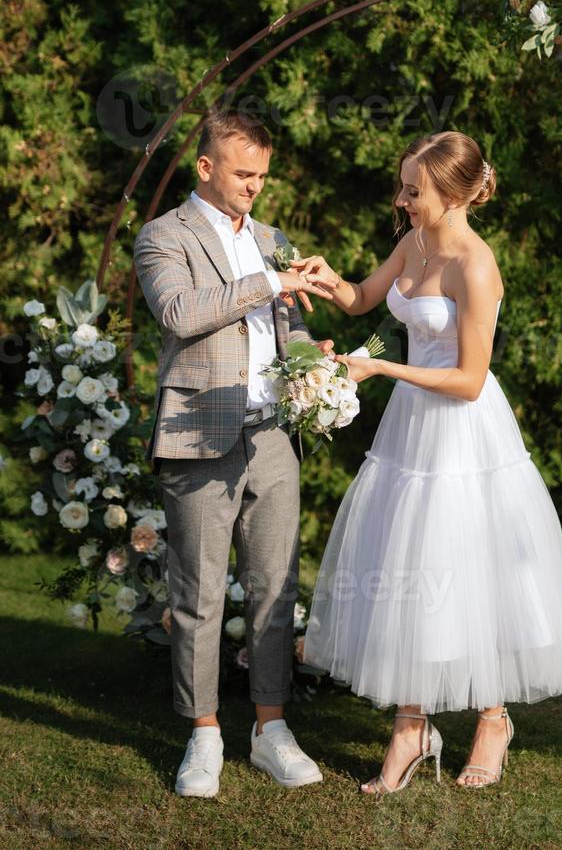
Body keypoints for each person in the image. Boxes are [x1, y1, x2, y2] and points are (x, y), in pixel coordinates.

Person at [297, 130, 562, 794]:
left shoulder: (474, 265)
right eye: (402, 187)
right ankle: (410, 725)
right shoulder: (415, 242)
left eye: (413, 191)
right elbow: (363, 298)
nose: (400, 201)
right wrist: (328, 280)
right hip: (411, 431)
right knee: (404, 562)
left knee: (467, 567)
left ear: (456, 194)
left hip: (461, 431)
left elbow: (466, 379)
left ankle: (492, 719)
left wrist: (379, 366)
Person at [133, 110, 337, 797]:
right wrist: (270, 283)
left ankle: (270, 730)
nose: (255, 186)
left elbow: (289, 329)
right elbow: (181, 314)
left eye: (262, 176)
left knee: (276, 591)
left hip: (272, 436)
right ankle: (204, 734)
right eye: (243, 173)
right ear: (206, 167)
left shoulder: (274, 239)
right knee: (198, 595)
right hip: (198, 436)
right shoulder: (164, 235)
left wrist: (318, 361)